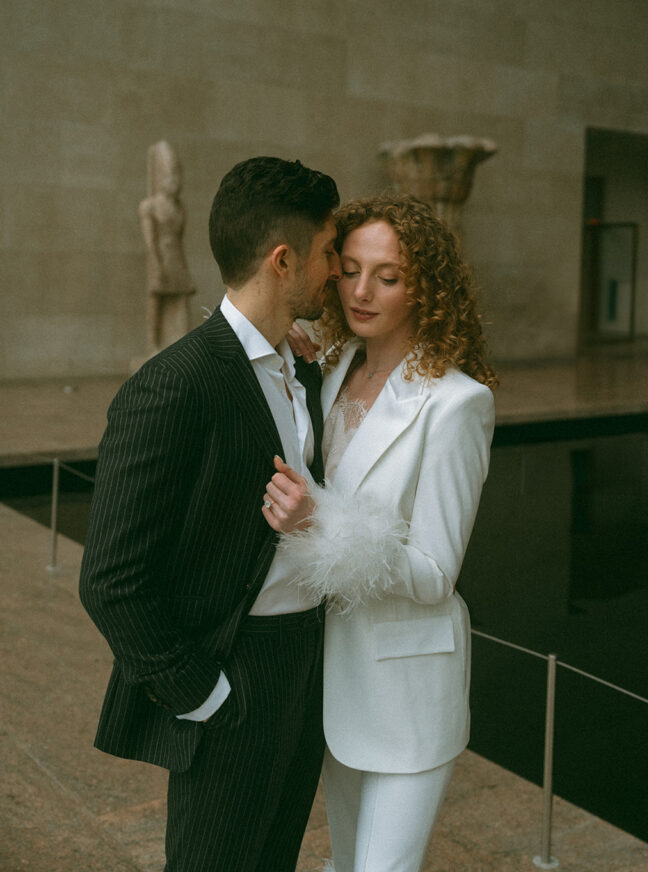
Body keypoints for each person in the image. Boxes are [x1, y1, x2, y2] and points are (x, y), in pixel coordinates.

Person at [79, 156, 341, 872]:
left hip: (303, 664)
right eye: (328, 254)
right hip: (234, 672)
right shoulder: (173, 386)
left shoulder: (300, 366)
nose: (337, 273)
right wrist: (204, 696)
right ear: (283, 261)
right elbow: (110, 579)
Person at [262, 194, 496, 872]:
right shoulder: (330, 371)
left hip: (406, 691)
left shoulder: (455, 404)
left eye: (387, 276)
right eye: (350, 269)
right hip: (331, 685)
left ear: (424, 288)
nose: (362, 291)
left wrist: (319, 522)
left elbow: (432, 574)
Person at [139, 140, 196, 356]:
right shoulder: (149, 206)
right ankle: (153, 343)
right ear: (161, 179)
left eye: (177, 178)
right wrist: (156, 262)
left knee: (181, 299)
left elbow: (180, 237)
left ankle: (180, 342)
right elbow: (149, 240)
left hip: (176, 257)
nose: (175, 183)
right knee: (156, 299)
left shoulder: (180, 207)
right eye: (170, 178)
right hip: (159, 256)